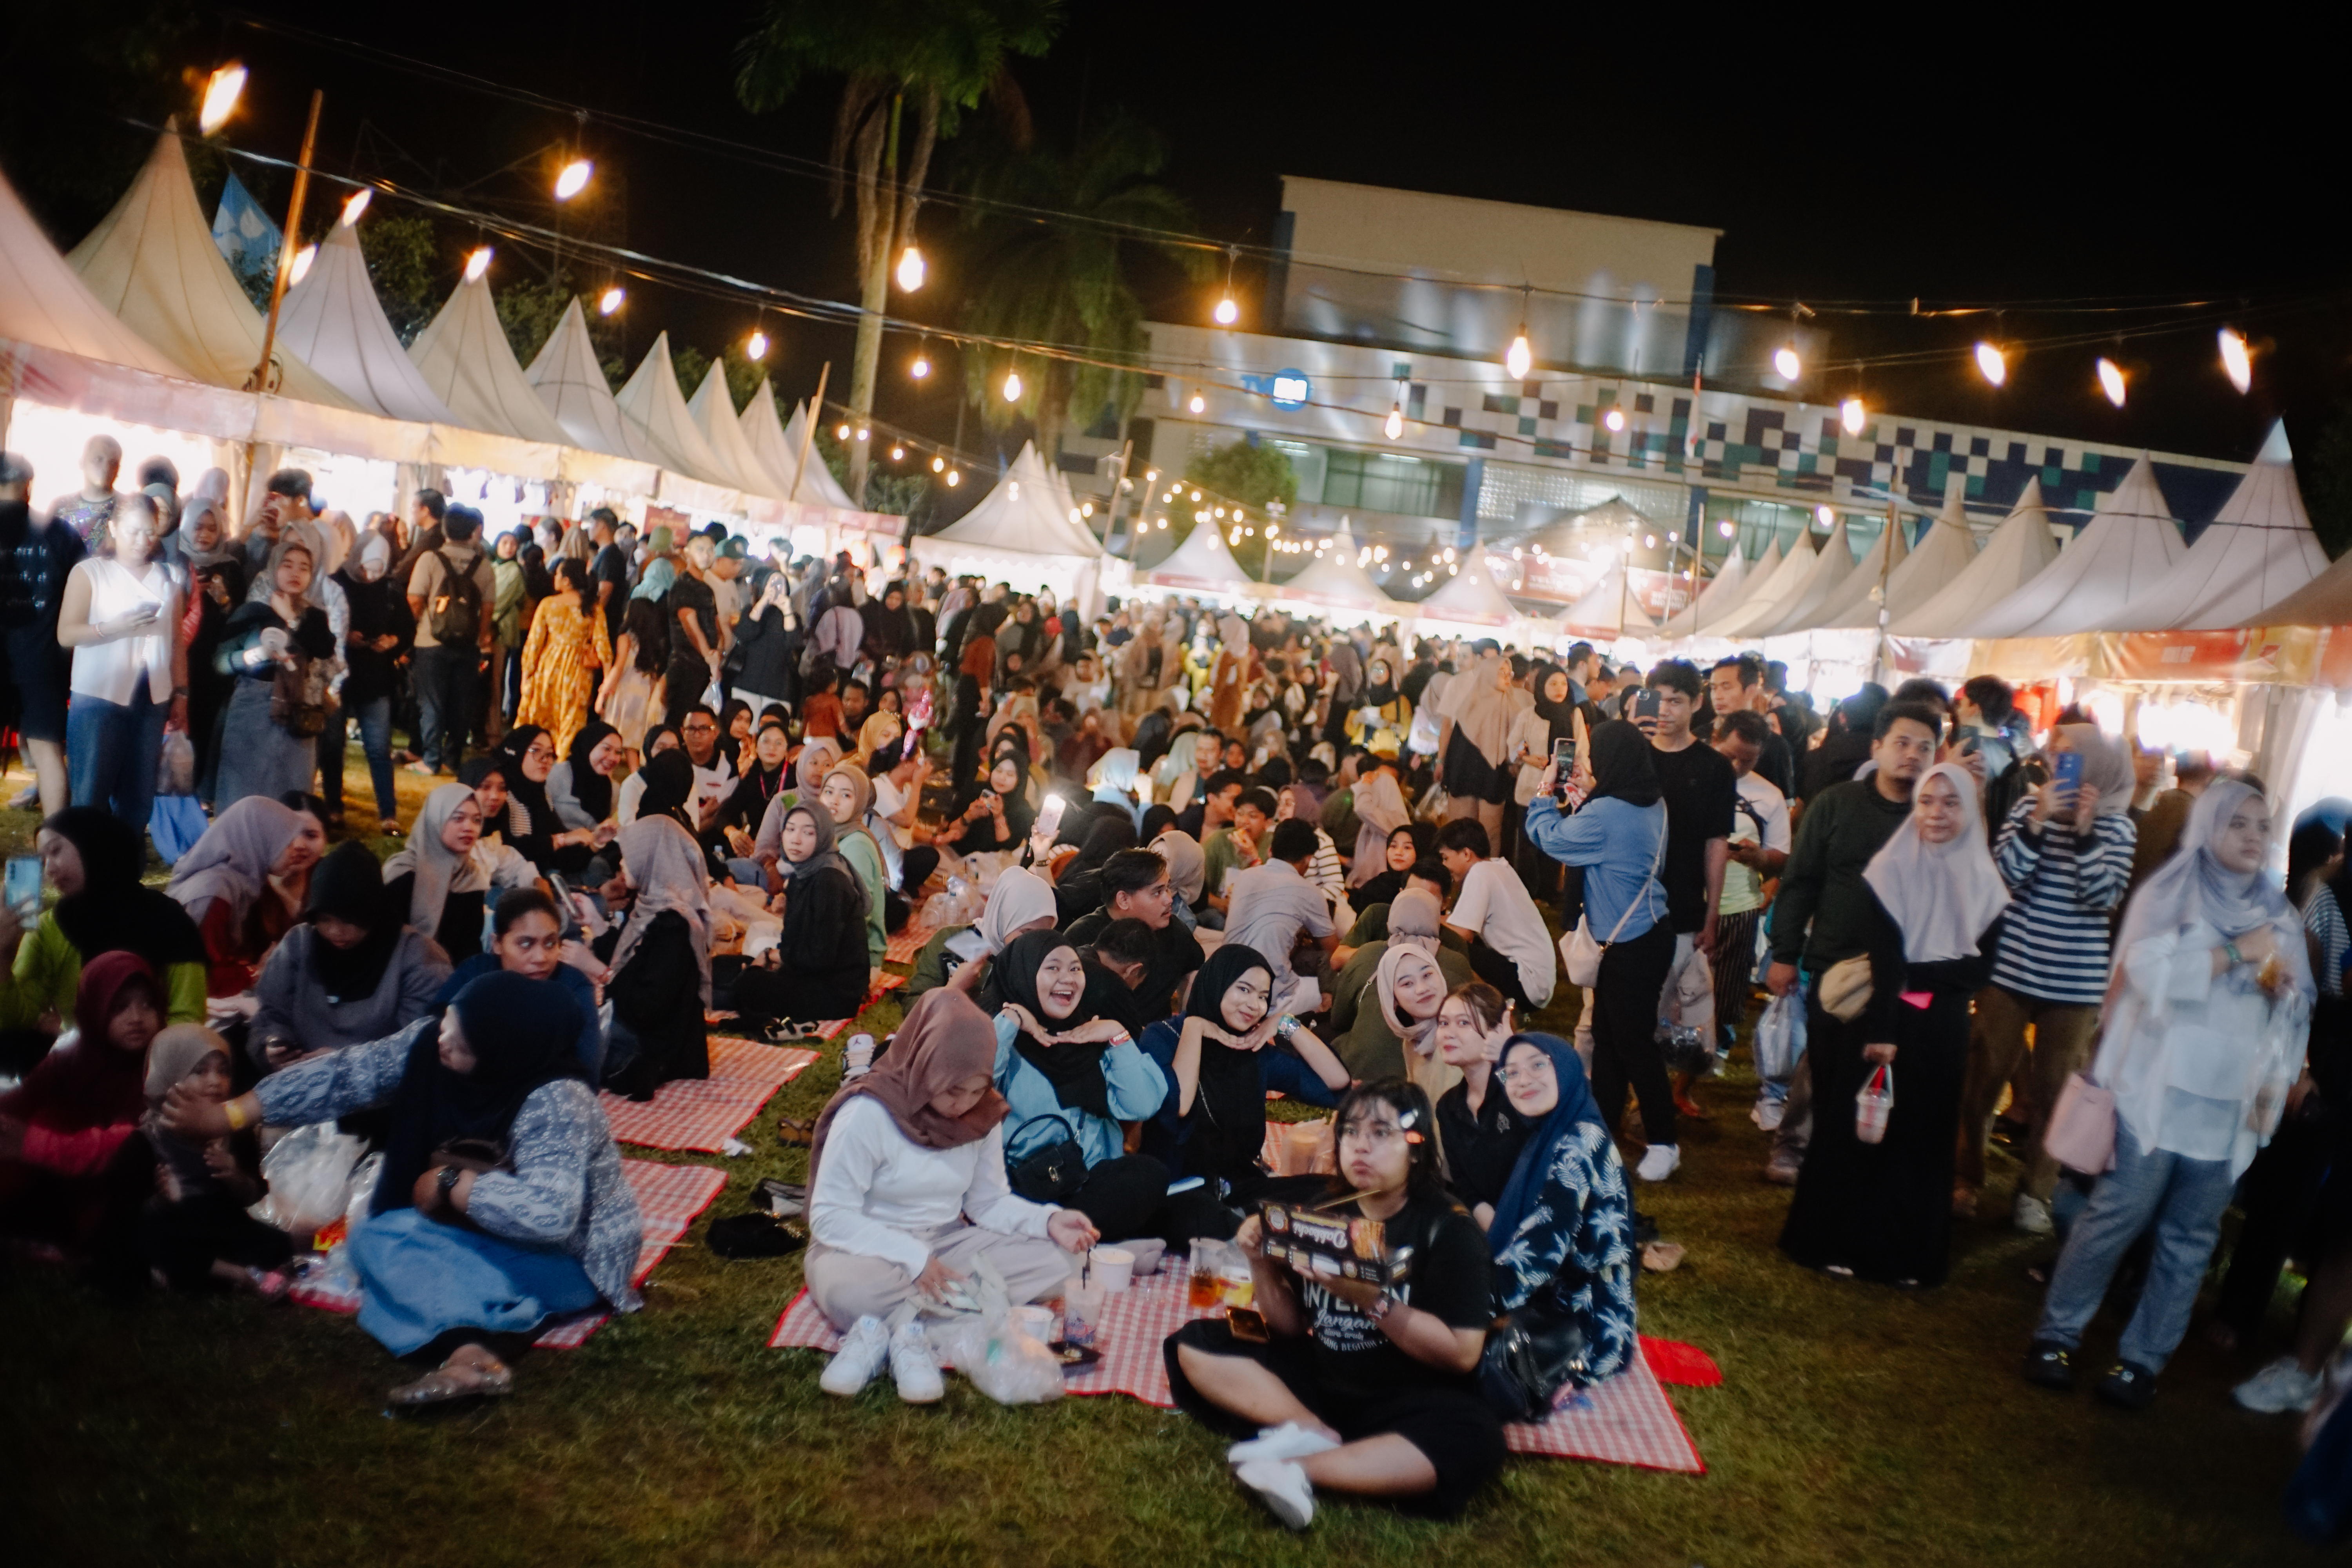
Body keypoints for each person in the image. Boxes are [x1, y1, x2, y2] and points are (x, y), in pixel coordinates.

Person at [167, 972, 641, 1406]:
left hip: (570, 1255)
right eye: (448, 1020)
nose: (443, 1035)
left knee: (412, 1262)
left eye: (460, 1032)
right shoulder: (428, 1046)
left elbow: (552, 1214)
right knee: (375, 1237)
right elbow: (345, 1075)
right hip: (479, 1232)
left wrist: (453, 1183)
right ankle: (475, 1352)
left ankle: (479, 1336)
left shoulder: (558, 1100)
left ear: (501, 1045)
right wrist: (226, 1115)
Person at [2024, 780, 2314, 1409]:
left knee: (2188, 1241)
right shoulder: (2171, 893)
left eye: (2263, 827)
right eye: (2237, 823)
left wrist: (2284, 992)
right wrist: (2235, 953)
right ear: (2208, 827)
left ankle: (2142, 1361)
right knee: (2113, 1220)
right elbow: (2144, 976)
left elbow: (2298, 1010)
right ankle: (2057, 1337)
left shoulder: (2282, 915)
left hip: (2224, 1113)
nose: (2252, 837)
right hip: (2151, 1097)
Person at [1164, 1079, 1504, 1529]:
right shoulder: (1325, 1210)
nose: (1361, 1146)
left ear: (1416, 1149)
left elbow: (1462, 1355)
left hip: (1409, 1395)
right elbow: (1290, 1327)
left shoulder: (1447, 1227)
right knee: (1198, 1340)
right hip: (1324, 1379)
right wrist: (1261, 1263)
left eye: (1381, 1133)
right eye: (1350, 1131)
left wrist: (1374, 1302)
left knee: (1475, 1438)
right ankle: (1310, 1431)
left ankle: (1297, 1468)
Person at [806, 989, 1102, 1399]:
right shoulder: (868, 1112)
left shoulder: (982, 1113)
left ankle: (901, 1328)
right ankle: (938, 1324)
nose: (963, 1105)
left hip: (945, 1243)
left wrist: (1048, 1220)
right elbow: (829, 1217)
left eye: (976, 1090)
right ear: (924, 1066)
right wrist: (913, 1258)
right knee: (850, 1291)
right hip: (865, 1250)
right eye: (952, 1090)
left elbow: (987, 1202)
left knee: (1066, 1258)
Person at [1777, 764, 2008, 1287]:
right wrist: (1886, 1025)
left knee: (1922, 1138)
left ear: (1970, 811)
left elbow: (1980, 967)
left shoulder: (1983, 878)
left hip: (1940, 1029)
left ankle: (1903, 1255)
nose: (1937, 813)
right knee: (1860, 1133)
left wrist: (1918, 973)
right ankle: (1836, 1242)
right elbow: (1885, 956)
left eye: (1952, 803)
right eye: (1928, 801)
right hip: (1882, 1022)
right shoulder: (1892, 866)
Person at [1956, 725, 2139, 1232]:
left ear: (2100, 769)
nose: (2059, 768)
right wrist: (2038, 821)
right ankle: (1967, 1175)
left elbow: (2102, 897)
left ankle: (2035, 1191)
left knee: (2059, 1092)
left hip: (2076, 980)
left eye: (2072, 760)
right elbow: (2005, 878)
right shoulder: (2025, 809)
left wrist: (2083, 831)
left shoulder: (2118, 827)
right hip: (2012, 963)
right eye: (2056, 758)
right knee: (1984, 1073)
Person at [1760, 701, 1941, 1187]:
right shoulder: (1837, 804)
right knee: (1822, 1069)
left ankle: (1864, 1164)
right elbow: (1801, 881)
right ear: (1877, 746)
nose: (1912, 756)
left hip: (1908, 974)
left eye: (1925, 747)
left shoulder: (1935, 816)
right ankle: (1798, 1148)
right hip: (1836, 963)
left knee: (1891, 1070)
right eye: (1902, 743)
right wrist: (1784, 954)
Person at [1524, 721, 1677, 1178]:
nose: (1589, 766)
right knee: (1611, 1042)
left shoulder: (1609, 812)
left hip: (1628, 944)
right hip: (1649, 933)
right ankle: (1601, 1133)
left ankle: (1665, 1143)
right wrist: (1586, 799)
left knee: (1631, 1044)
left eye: (1596, 759)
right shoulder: (1652, 802)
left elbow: (1551, 839)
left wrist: (1544, 788)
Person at [987, 930, 1176, 1241]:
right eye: (1053, 968)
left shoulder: (1089, 1036)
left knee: (1152, 1178)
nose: (1069, 978)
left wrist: (1118, 1035)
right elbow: (973, 1082)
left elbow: (1142, 1105)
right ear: (1024, 973)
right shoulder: (1004, 1041)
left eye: (1076, 968)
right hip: (1025, 1185)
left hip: (1091, 1182)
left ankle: (1069, 1240)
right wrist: (1012, 1018)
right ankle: (1070, 1239)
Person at [1136, 943, 1350, 1214]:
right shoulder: (1162, 1036)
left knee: (1332, 1192)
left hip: (1235, 1185)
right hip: (1176, 1190)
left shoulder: (1248, 1047)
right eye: (1244, 989)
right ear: (1217, 982)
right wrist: (1195, 1027)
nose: (1254, 1005)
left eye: (1263, 997)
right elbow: (1179, 1105)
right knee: (1218, 1219)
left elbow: (1336, 1081)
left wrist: (1286, 1023)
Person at [1486, 1031, 1638, 1387]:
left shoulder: (1581, 1141)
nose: (1524, 1081)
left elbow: (1542, 1246)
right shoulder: (1552, 1134)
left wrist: (1472, 1301)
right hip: (1552, 1306)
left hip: (1580, 1330)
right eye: (1512, 1073)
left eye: (1539, 1065)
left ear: (1568, 1069)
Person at [0, 809, 207, 1056]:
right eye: (43, 860)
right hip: (81, 1060)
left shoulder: (166, 920)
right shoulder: (51, 927)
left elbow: (187, 1018)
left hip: (153, 1065)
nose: (49, 871)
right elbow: (15, 1020)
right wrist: (2, 955)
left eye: (56, 852)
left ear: (95, 846)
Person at [0, 954, 163, 1264]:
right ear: (94, 1008)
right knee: (41, 1117)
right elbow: (21, 1101)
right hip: (62, 1175)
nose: (137, 1017)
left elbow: (123, 1147)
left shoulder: (160, 1068)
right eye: (120, 1007)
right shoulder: (71, 1060)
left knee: (50, 1124)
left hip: (121, 1195)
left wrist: (29, 1143)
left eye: (148, 1005)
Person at [249, 841, 451, 1073]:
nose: (336, 932)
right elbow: (271, 1011)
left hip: (381, 1097)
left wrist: (348, 1063)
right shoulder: (299, 945)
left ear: (373, 913)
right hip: (298, 1081)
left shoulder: (417, 957)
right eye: (325, 920)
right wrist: (272, 1045)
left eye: (348, 920)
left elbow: (419, 1042)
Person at [57, 491, 183, 828]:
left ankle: (126, 871)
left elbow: (177, 642)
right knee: (91, 794)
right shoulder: (91, 573)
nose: (142, 541)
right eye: (133, 531)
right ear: (113, 528)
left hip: (152, 696)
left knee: (138, 796)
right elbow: (66, 633)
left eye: (150, 532)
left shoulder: (169, 578)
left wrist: (181, 692)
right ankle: (84, 871)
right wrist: (111, 628)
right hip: (99, 695)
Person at [136, 1024, 292, 1295]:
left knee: (278, 1242)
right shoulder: (149, 1138)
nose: (215, 1081)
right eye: (200, 1071)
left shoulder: (233, 1131)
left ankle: (191, 1273)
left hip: (217, 1224)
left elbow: (251, 1196)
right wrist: (160, 1198)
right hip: (175, 1223)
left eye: (223, 1071)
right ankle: (228, 1273)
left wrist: (234, 1176)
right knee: (150, 1231)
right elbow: (131, 1205)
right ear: (169, 1074)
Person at [212, 531, 335, 809]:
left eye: (304, 568)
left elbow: (324, 648)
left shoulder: (314, 616)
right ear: (273, 568)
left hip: (296, 712)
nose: (295, 573)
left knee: (291, 794)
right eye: (287, 564)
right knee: (244, 794)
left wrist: (292, 618)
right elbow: (221, 662)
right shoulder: (252, 611)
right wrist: (256, 655)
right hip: (252, 708)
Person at [594, 817, 713, 1098]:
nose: (622, 865)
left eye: (627, 856)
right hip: (645, 1034)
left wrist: (599, 968)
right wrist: (600, 923)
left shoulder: (674, 924)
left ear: (651, 858)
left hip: (658, 1049)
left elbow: (645, 1009)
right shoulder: (648, 905)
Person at [166, 797, 327, 996]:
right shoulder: (215, 891)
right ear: (260, 840)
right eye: (285, 842)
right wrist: (256, 972)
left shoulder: (239, 883)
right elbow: (204, 977)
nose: (295, 849)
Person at [733, 803, 869, 1034]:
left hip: (834, 992)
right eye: (791, 830)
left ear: (824, 835)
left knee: (747, 984)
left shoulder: (829, 880)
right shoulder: (801, 876)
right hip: (808, 975)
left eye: (808, 833)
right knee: (729, 968)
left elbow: (820, 958)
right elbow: (793, 939)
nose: (796, 840)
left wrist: (772, 957)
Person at [1, 452, 85, 818]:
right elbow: (86, 591)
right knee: (48, 750)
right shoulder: (61, 532)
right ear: (29, 486)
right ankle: (57, 841)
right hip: (45, 660)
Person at [1711, 711, 1791, 1092]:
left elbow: (1781, 857)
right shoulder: (1691, 776)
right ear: (1715, 738)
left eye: (1749, 759)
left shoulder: (1769, 796)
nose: (1738, 765)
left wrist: (1757, 857)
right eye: (1730, 755)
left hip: (1740, 905)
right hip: (1686, 904)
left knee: (1725, 996)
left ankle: (1698, 1073)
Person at [383, 783, 542, 959]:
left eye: (476, 820)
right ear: (435, 820)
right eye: (458, 819)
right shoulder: (403, 873)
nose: (470, 828)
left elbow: (469, 949)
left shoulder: (470, 877)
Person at [1062, 848, 1206, 1024]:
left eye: (1168, 889)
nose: (1169, 900)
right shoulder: (1081, 936)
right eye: (1157, 892)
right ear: (1123, 900)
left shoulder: (1174, 930)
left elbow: (1193, 971)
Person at [405, 504, 495, 777]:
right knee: (461, 703)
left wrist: (425, 620)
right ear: (473, 531)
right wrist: (480, 637)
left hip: (431, 642)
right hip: (468, 645)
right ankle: (452, 759)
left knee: (432, 702)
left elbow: (414, 597)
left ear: (445, 529)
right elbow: (489, 608)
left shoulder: (430, 559)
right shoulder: (485, 566)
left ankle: (430, 760)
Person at [1435, 818, 1557, 1013]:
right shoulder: (1496, 868)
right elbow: (1457, 922)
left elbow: (1462, 934)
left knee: (1446, 944)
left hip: (1526, 981)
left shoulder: (1481, 874)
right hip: (1536, 981)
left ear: (1466, 854)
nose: (1444, 865)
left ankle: (1482, 1011)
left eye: (1446, 858)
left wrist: (1423, 921)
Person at [330, 531, 407, 835]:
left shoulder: (389, 588)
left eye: (378, 570)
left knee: (378, 747)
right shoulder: (338, 583)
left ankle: (388, 813)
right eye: (367, 569)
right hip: (341, 675)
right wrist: (345, 637)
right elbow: (327, 624)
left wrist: (392, 641)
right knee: (333, 744)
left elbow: (406, 627)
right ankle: (335, 807)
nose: (371, 576)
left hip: (376, 678)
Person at [1222, 819, 1341, 1015]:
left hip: (1224, 983)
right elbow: (1333, 951)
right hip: (1267, 998)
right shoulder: (1310, 892)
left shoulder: (1245, 877)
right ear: (1308, 860)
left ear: (1270, 851)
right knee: (1334, 986)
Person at [1430, 982, 1521, 1227]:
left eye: (1463, 1023)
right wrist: (1495, 1229)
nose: (1448, 1033)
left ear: (1498, 1029)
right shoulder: (1449, 1108)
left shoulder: (1518, 1090)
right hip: (1491, 1230)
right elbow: (1465, 1187)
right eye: (1443, 1023)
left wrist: (1511, 1057)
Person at [905, 866, 1058, 1005]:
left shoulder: (1045, 961)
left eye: (1044, 935)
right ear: (1003, 918)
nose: (1034, 943)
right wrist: (954, 989)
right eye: (1026, 933)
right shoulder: (952, 941)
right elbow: (914, 1006)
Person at [515, 557, 613, 757]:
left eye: (558, 574)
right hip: (579, 672)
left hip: (548, 668)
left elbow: (534, 644)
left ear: (567, 581)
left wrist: (526, 676)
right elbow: (604, 647)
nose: (555, 578)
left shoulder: (548, 604)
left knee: (542, 719)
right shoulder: (593, 608)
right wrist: (607, 682)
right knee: (572, 721)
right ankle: (562, 764)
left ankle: (537, 760)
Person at [1437, 644, 1515, 857]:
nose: (1508, 679)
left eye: (1510, 674)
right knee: (1460, 831)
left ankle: (1488, 881)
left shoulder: (1514, 703)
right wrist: (1442, 763)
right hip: (1465, 771)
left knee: (1491, 833)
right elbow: (1455, 742)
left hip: (1495, 773)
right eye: (1502, 674)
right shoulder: (1468, 705)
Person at [815, 764, 890, 969]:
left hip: (856, 956)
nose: (834, 801)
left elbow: (856, 915)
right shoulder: (829, 837)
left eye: (846, 796)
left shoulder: (856, 844)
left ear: (860, 803)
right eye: (829, 792)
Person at [1203, 787, 1276, 917]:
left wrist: (1253, 856)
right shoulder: (1219, 840)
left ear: (1268, 823)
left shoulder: (1274, 846)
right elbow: (1198, 888)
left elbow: (1274, 895)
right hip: (1220, 913)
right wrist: (1221, 904)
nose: (1244, 821)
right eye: (1240, 814)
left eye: (1252, 816)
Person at [1351, 824, 1427, 911]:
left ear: (1419, 851)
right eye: (1394, 846)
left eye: (1407, 847)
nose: (1399, 853)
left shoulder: (1424, 888)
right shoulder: (1375, 887)